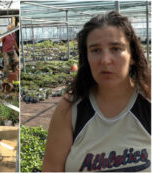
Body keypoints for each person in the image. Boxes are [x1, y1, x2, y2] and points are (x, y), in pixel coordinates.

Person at [42, 11, 151, 172]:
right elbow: (52, 168)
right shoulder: (70, 108)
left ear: (132, 55)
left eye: (116, 48)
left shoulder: (147, 102)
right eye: (95, 50)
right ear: (86, 58)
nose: (105, 60)